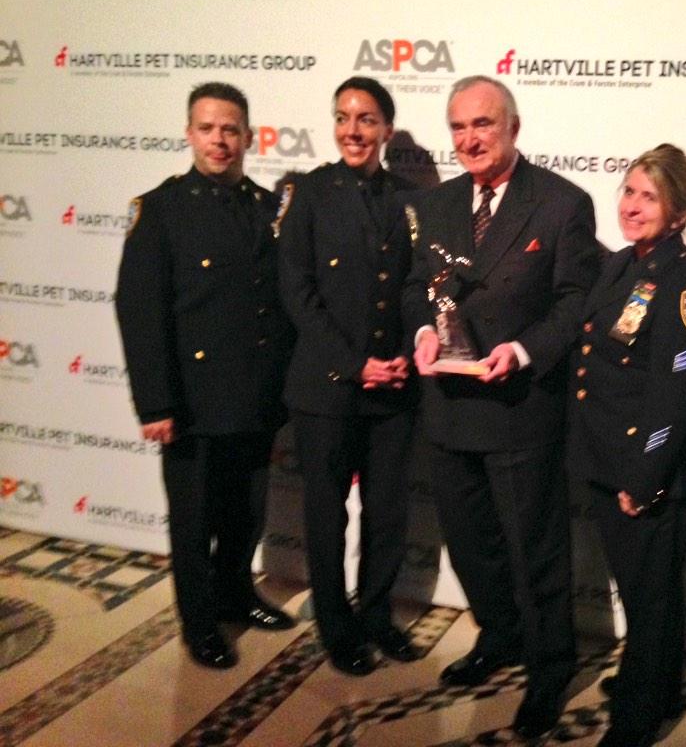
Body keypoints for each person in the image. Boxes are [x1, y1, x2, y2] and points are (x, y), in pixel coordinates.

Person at [402, 75, 601, 739]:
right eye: (458, 127)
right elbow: (417, 287)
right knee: (471, 546)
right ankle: (499, 636)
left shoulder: (562, 203)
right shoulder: (436, 204)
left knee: (535, 552)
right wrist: (422, 331)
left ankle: (550, 668)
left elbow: (576, 301)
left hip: (519, 406)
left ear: (513, 127)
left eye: (482, 124)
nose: (470, 139)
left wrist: (521, 350)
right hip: (449, 405)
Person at [115, 82, 296, 670]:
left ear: (248, 136)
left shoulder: (269, 207)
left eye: (230, 129)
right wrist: (155, 404)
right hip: (192, 402)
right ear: (190, 134)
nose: (220, 140)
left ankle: (236, 596)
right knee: (194, 523)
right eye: (208, 128)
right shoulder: (160, 209)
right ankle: (199, 622)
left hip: (255, 395)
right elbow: (139, 311)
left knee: (246, 513)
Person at [569, 144, 686, 747]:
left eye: (649, 197)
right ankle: (659, 686)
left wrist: (645, 476)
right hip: (611, 460)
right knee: (646, 591)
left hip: (649, 469)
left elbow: (679, 395)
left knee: (649, 597)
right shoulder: (621, 265)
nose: (631, 206)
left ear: (679, 213)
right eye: (629, 191)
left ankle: (636, 718)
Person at [276, 77, 419, 675]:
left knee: (386, 513)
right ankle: (336, 627)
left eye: (365, 119)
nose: (352, 130)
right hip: (327, 387)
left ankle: (377, 615)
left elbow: (418, 289)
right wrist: (354, 363)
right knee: (327, 515)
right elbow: (297, 293)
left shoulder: (411, 199)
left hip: (393, 388)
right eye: (342, 117)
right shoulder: (308, 193)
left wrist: (407, 354)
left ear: (386, 128)